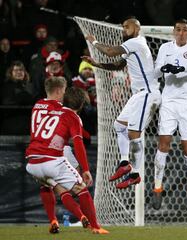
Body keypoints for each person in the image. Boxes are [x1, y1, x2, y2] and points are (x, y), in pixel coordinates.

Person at [83, 16, 161, 189]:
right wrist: (95, 64)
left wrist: (94, 42)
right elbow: (117, 66)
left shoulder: (137, 42)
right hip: (138, 96)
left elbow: (110, 52)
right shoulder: (133, 46)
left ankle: (135, 174)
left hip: (148, 94)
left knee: (134, 132)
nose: (124, 29)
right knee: (119, 125)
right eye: (123, 26)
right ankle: (125, 162)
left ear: (137, 27)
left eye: (127, 26)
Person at [25, 77, 108, 234]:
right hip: (56, 152)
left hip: (32, 157)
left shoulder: (38, 105)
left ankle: (54, 219)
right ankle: (94, 225)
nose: (64, 94)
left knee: (52, 186)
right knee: (79, 186)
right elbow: (77, 140)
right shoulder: (65, 112)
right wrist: (86, 168)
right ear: (58, 91)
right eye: (63, 91)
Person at [151, 19, 187, 211]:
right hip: (169, 101)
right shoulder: (165, 48)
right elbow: (155, 73)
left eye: (185, 30)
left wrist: (182, 69)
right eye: (178, 30)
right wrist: (163, 68)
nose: (181, 33)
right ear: (173, 32)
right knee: (163, 142)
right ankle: (157, 188)